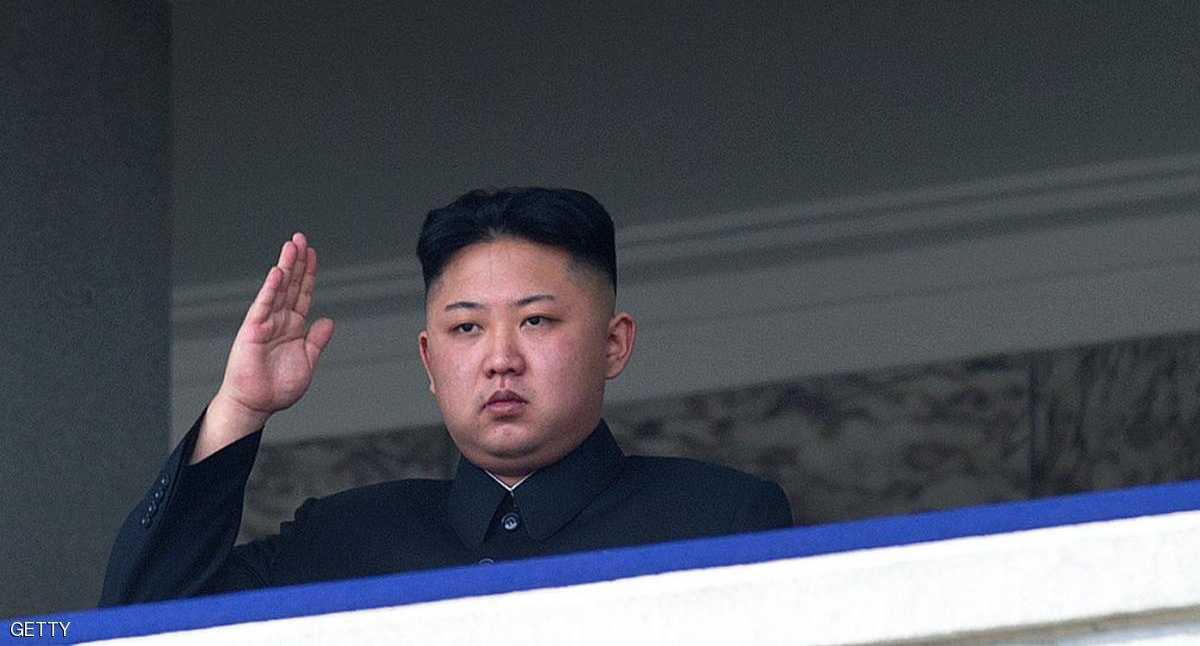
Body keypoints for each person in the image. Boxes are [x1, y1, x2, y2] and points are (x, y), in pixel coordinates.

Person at [100, 188, 792, 606]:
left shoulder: (719, 517)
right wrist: (239, 409)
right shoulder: (338, 539)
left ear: (614, 344)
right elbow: (140, 622)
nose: (499, 359)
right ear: (430, 360)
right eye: (466, 328)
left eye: (537, 320)